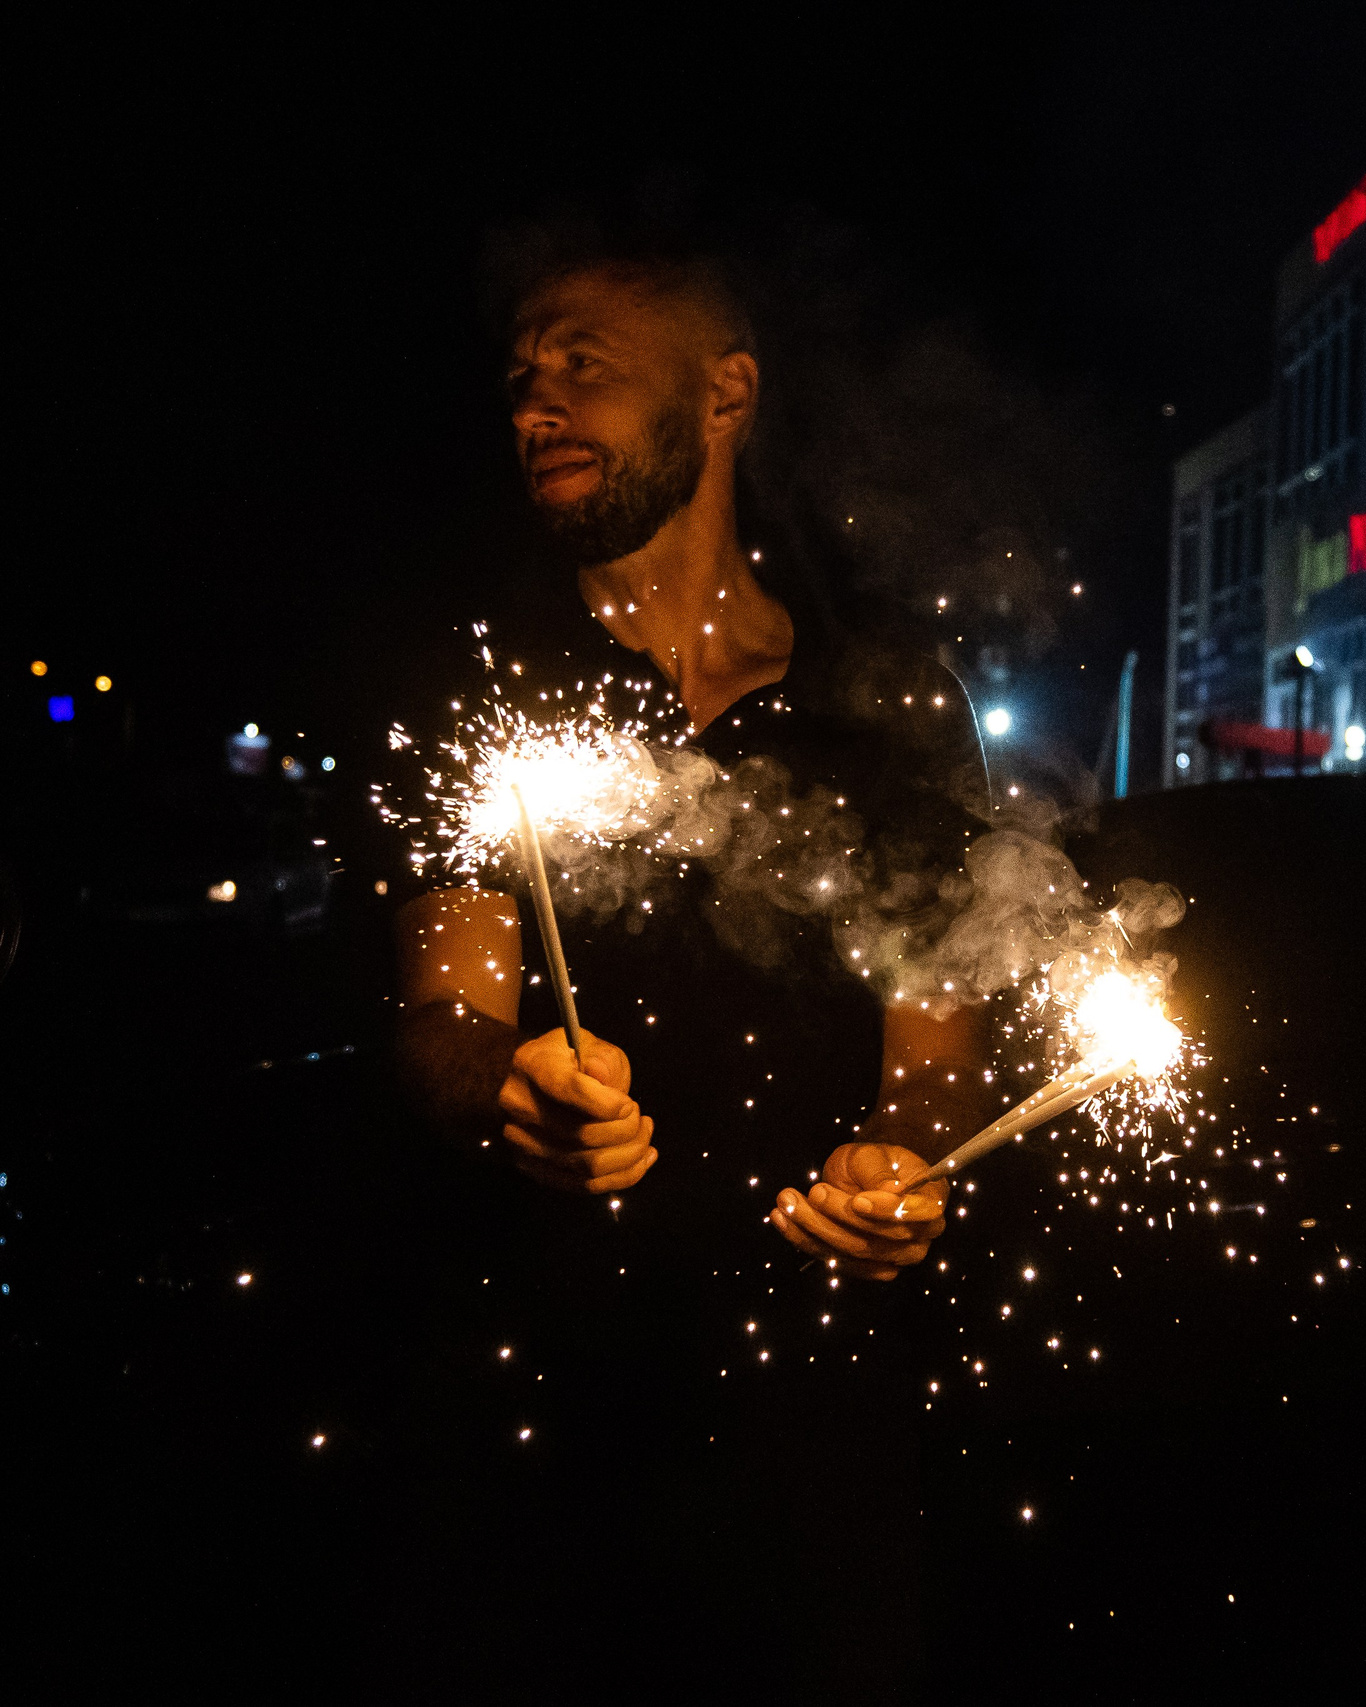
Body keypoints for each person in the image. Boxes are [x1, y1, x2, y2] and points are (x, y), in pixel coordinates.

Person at [383, 228, 998, 1696]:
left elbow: (940, 1045)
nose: (533, 403)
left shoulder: (886, 699)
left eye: (581, 366)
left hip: (818, 1429)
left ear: (725, 395)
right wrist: (508, 1090)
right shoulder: (483, 685)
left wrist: (902, 1162)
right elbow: (439, 1011)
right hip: (540, 1418)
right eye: (521, 373)